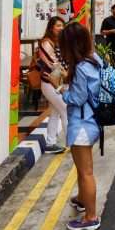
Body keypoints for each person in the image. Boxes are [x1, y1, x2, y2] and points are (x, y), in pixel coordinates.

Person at [59, 22, 104, 230]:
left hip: (82, 124)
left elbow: (76, 98)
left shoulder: (80, 68)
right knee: (82, 168)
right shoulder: (94, 60)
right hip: (93, 121)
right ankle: (81, 198)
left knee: (86, 172)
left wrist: (61, 89)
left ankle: (91, 217)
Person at [37, 17, 68, 155]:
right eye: (58, 26)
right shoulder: (46, 43)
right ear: (51, 28)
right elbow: (52, 64)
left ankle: (50, 143)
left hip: (57, 82)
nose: (61, 28)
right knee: (66, 110)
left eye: (62, 25)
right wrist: (66, 72)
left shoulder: (57, 42)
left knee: (55, 113)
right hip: (50, 82)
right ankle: (72, 143)